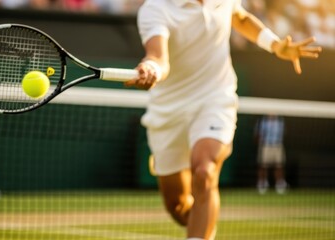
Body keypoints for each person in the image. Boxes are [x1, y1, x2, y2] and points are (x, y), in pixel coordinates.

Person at [125, 0, 322, 239]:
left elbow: (239, 17)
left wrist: (275, 45)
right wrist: (151, 68)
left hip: (215, 98)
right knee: (176, 206)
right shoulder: (155, 8)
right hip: (168, 111)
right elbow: (158, 57)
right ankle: (204, 224)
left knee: (204, 171)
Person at [255, 114, 288, 194]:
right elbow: (257, 135)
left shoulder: (281, 121)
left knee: (279, 165)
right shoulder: (262, 121)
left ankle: (280, 184)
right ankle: (262, 184)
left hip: (277, 145)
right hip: (265, 145)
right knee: (263, 165)